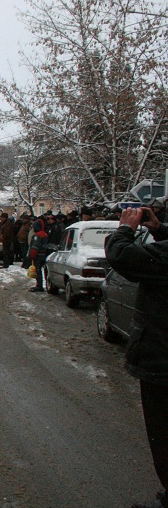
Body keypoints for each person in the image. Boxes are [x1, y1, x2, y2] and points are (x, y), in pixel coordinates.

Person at [105, 207, 168, 508]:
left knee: (163, 435)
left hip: (161, 359)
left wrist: (125, 229)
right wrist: (159, 230)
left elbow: (121, 257)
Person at [27, 215, 49, 292]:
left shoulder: (37, 235)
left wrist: (32, 255)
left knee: (38, 270)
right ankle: (46, 284)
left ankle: (39, 285)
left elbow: (35, 247)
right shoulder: (45, 234)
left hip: (38, 255)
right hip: (44, 254)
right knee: (44, 271)